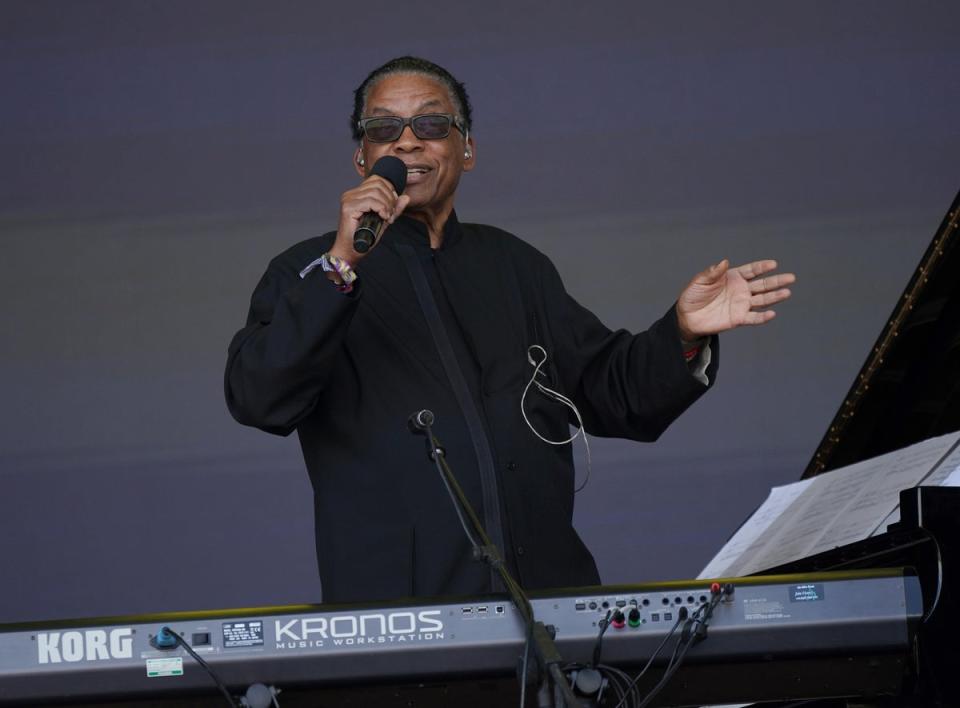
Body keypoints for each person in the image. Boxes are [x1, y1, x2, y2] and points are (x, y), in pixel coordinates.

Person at [224, 57, 794, 604]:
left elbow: (611, 390)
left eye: (430, 123)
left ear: (466, 148)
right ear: (362, 160)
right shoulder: (311, 270)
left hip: (546, 604)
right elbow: (259, 397)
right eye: (383, 128)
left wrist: (683, 331)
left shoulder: (515, 266)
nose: (406, 141)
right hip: (403, 617)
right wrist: (342, 262)